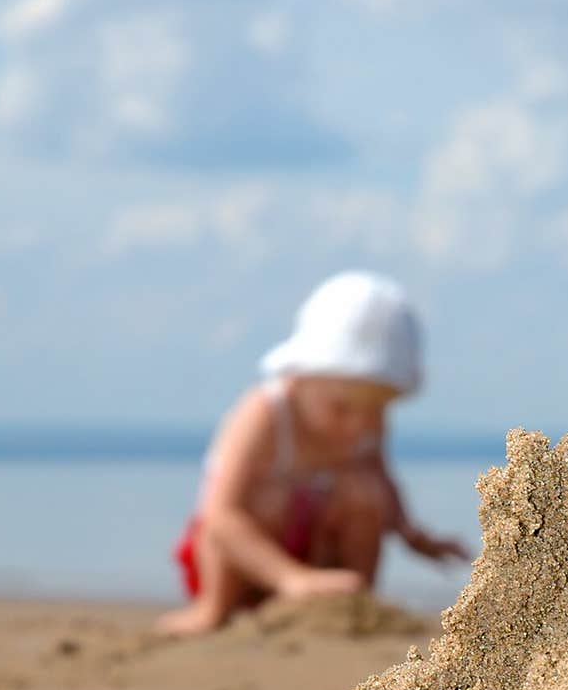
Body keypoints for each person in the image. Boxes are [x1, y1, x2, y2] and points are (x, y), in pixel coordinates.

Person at [157, 271, 469, 636]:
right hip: (238, 558)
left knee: (364, 491)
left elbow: (383, 484)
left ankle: (353, 604)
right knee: (264, 501)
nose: (359, 425)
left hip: (313, 558)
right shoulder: (265, 412)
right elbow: (220, 517)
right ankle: (212, 609)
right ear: (301, 375)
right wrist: (291, 578)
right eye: (342, 408)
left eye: (376, 410)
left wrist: (414, 536)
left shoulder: (365, 424)